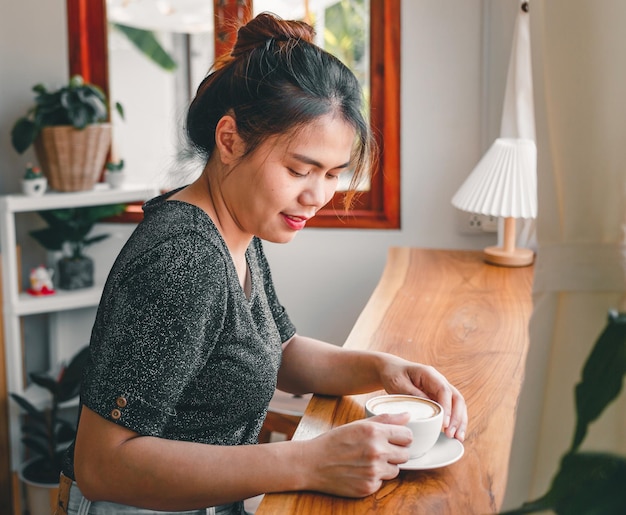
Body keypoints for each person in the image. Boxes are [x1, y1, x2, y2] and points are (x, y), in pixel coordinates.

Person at [58, 12, 468, 515]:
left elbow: (279, 351)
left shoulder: (237, 227)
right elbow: (103, 467)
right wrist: (307, 461)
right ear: (229, 140)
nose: (317, 195)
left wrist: (388, 370)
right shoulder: (183, 261)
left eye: (334, 174)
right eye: (299, 169)